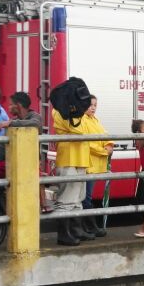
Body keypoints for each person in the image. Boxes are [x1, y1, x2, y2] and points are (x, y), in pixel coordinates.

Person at [52, 88, 99, 246]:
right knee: (66, 199)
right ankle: (63, 234)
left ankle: (76, 230)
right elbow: (78, 131)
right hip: (68, 159)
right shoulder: (61, 110)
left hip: (81, 159)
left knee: (78, 198)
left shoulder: (78, 112)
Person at [81, 96, 114, 238]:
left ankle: (88, 228)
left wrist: (109, 144)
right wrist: (104, 150)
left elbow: (105, 135)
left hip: (95, 166)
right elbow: (86, 143)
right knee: (85, 198)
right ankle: (91, 227)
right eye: (90, 105)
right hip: (87, 165)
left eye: (95, 105)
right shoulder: (82, 120)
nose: (93, 108)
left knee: (86, 197)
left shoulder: (95, 120)